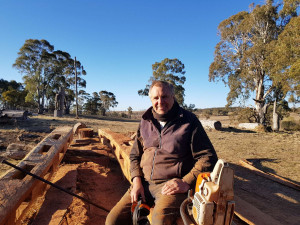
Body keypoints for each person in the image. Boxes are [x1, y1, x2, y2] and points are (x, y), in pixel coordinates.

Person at [106, 80, 218, 225]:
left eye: (164, 96)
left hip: (170, 187)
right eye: (156, 98)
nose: (160, 102)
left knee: (160, 221)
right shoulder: (145, 121)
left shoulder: (189, 121)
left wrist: (186, 182)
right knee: (112, 221)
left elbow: (208, 157)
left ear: (173, 97)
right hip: (144, 183)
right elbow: (135, 155)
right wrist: (136, 180)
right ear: (151, 99)